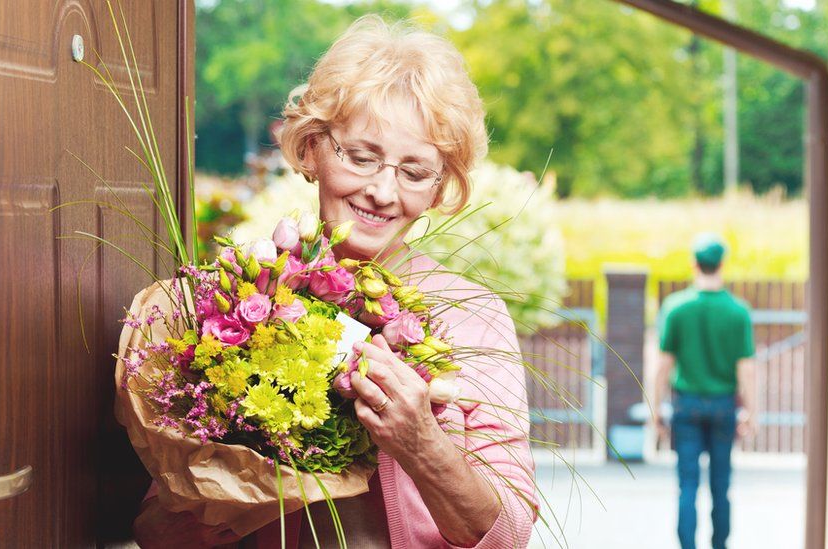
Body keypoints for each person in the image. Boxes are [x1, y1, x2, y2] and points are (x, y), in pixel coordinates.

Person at [134, 15, 538, 548]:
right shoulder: (236, 299)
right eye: (363, 157)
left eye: (414, 172)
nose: (382, 191)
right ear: (310, 149)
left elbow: (508, 536)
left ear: (441, 190)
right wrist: (248, 473)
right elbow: (154, 531)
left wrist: (422, 446)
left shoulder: (469, 315)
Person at [652, 234, 758, 549]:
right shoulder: (738, 312)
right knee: (720, 487)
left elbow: (663, 365)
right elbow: (746, 369)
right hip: (724, 406)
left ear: (694, 264)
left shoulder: (676, 307)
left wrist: (656, 408)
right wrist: (752, 411)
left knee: (687, 486)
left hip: (685, 407)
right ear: (722, 265)